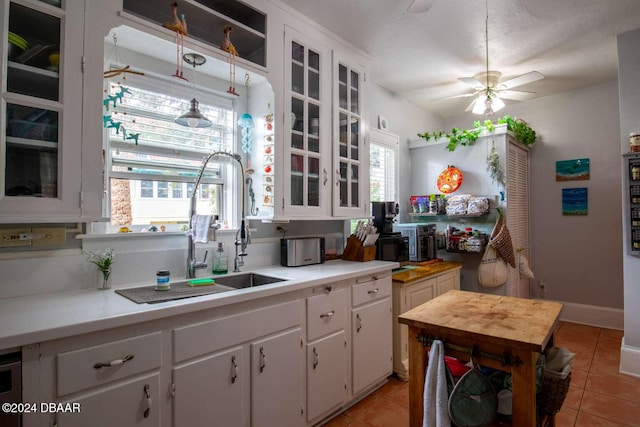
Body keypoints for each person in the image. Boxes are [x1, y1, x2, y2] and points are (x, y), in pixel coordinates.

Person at [221, 25, 239, 95]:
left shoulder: (231, 46)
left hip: (232, 55)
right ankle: (231, 88)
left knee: (233, 73)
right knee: (232, 73)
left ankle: (232, 88)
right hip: (230, 53)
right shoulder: (225, 43)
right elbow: (226, 44)